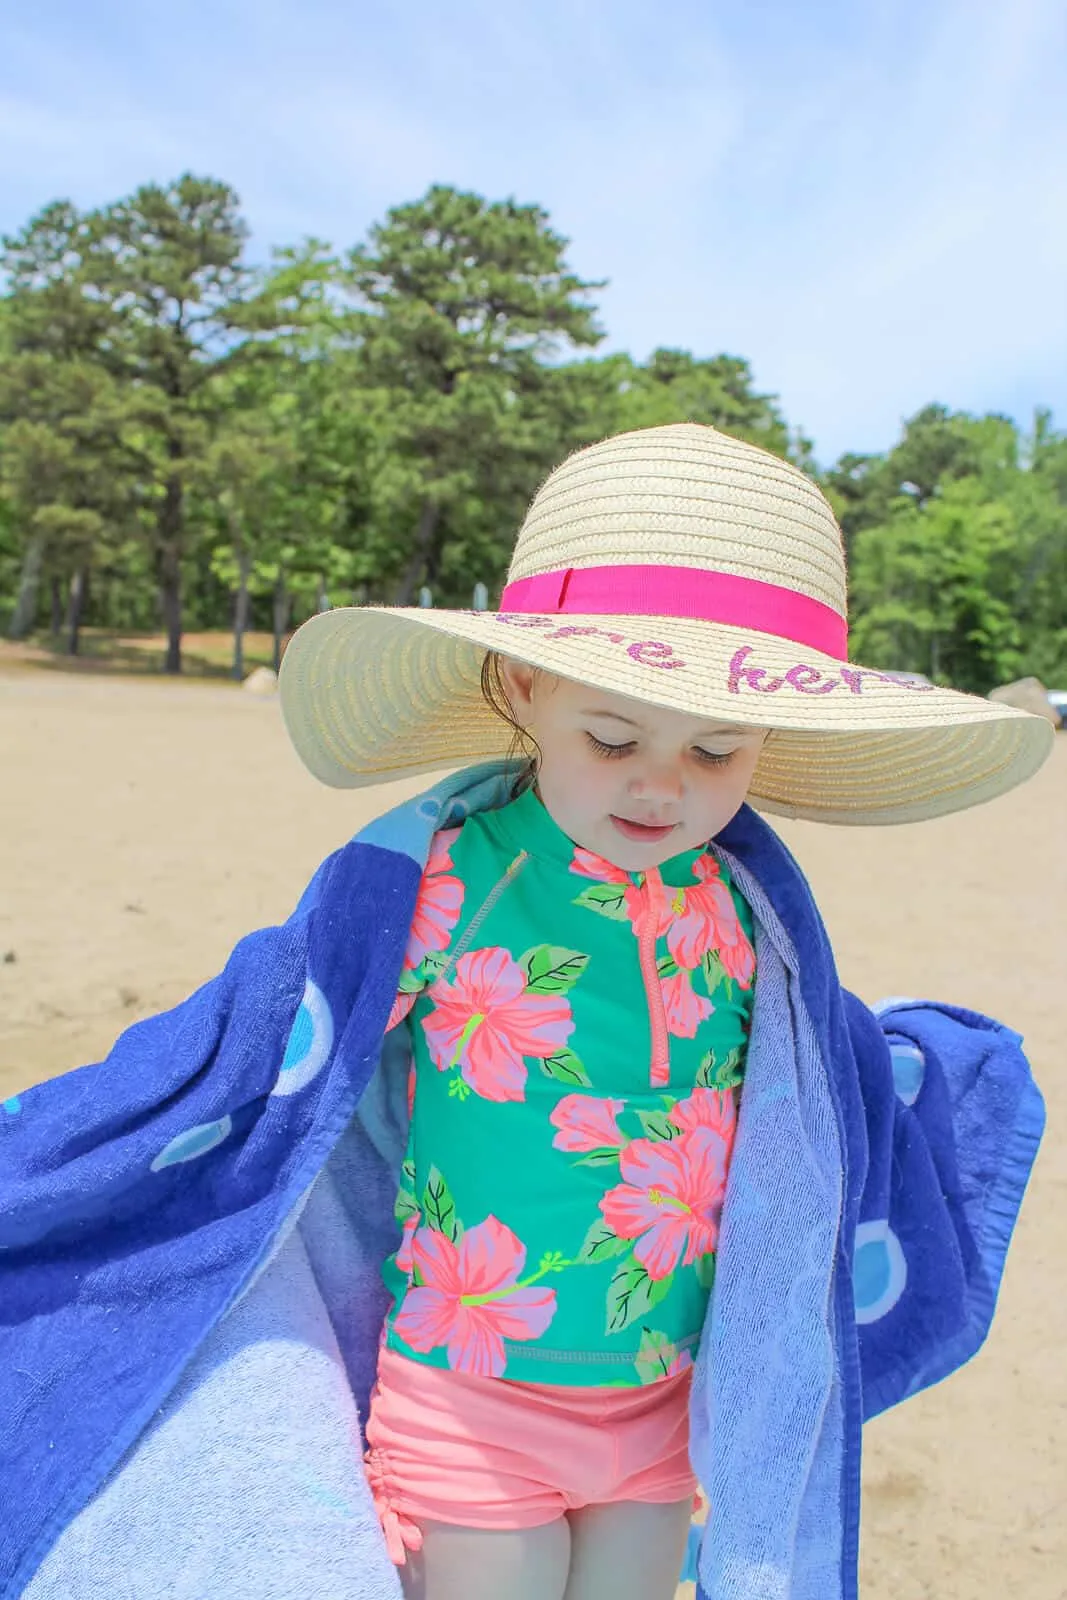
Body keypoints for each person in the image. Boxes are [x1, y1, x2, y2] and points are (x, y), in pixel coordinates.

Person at [0, 424, 1052, 1600]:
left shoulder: (747, 920)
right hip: (468, 1396)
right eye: (613, 736)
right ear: (524, 684)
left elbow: (813, 1097)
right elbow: (258, 1059)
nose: (660, 784)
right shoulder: (448, 880)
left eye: (716, 750)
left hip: (659, 1407)